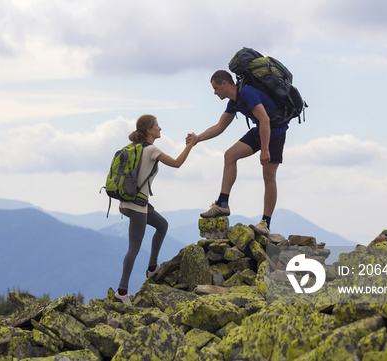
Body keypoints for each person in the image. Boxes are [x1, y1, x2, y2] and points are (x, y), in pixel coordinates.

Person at [189, 70, 288, 235]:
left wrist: (264, 150)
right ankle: (222, 204)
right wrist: (197, 138)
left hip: (275, 133)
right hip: (260, 131)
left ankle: (265, 223)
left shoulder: (247, 92)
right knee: (230, 155)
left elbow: (265, 119)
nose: (214, 92)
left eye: (215, 88)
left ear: (225, 84)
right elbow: (220, 127)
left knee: (268, 176)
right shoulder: (234, 101)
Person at [114, 114, 197, 306]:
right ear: (149, 130)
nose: (160, 128)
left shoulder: (133, 149)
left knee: (162, 225)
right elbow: (176, 163)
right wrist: (190, 145)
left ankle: (152, 268)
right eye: (157, 126)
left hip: (128, 203)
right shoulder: (151, 150)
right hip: (137, 207)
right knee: (134, 248)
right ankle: (122, 291)